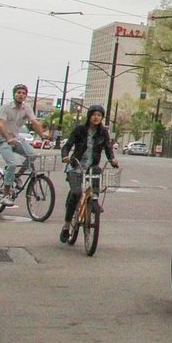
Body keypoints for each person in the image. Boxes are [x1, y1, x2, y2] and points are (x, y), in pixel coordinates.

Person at [59, 104, 119, 242]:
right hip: (75, 166)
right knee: (76, 193)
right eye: (94, 114)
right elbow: (67, 145)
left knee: (97, 171)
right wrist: (65, 156)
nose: (96, 117)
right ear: (89, 116)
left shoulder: (103, 132)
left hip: (91, 166)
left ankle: (94, 201)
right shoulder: (80, 130)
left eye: (99, 115)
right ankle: (67, 226)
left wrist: (112, 160)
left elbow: (108, 149)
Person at [0, 84, 48, 206]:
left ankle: (16, 176)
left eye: (23, 93)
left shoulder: (27, 108)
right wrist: (8, 138)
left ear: (26, 96)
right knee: (12, 164)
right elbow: (1, 125)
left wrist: (43, 136)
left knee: (32, 155)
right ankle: (6, 195)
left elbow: (34, 122)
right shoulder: (6, 107)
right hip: (3, 139)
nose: (21, 95)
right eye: (18, 92)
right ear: (14, 94)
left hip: (17, 139)